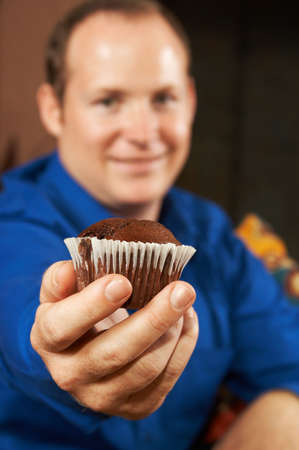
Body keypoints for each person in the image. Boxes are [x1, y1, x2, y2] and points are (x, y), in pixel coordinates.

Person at [0, 1, 299, 449]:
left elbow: (289, 366)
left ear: (191, 101)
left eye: (163, 98)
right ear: (54, 109)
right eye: (108, 101)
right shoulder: (14, 218)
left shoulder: (214, 235)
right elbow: (23, 309)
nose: (143, 133)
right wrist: (50, 345)